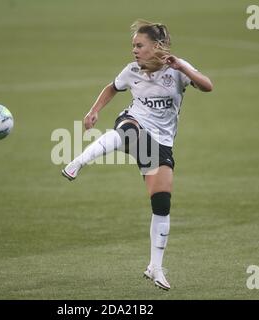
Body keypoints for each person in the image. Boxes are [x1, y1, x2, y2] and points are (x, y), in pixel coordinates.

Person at [62, 19, 213, 290]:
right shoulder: (132, 71)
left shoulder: (177, 69)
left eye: (139, 45)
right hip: (133, 120)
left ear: (156, 46)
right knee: (129, 132)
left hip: (161, 142)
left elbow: (207, 86)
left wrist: (182, 66)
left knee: (162, 203)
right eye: (133, 45)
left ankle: (155, 266)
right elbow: (112, 88)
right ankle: (79, 161)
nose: (134, 50)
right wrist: (93, 110)